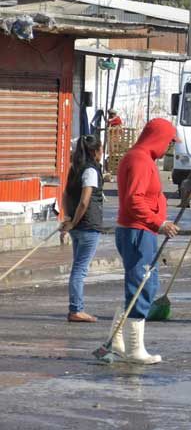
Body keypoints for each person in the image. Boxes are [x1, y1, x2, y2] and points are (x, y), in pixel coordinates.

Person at [111, 118, 180, 364]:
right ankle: (134, 349)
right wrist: (158, 223)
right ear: (158, 138)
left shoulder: (141, 158)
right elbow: (134, 200)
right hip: (138, 231)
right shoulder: (139, 160)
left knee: (139, 285)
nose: (169, 148)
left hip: (141, 230)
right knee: (142, 285)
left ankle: (118, 341)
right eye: (169, 142)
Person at [60, 135, 104, 323]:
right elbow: (85, 201)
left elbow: (65, 195)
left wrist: (68, 218)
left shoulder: (74, 169)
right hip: (87, 226)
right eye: (101, 150)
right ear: (95, 152)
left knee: (77, 268)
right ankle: (76, 309)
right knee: (80, 270)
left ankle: (76, 308)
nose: (101, 154)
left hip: (77, 226)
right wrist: (73, 221)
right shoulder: (90, 172)